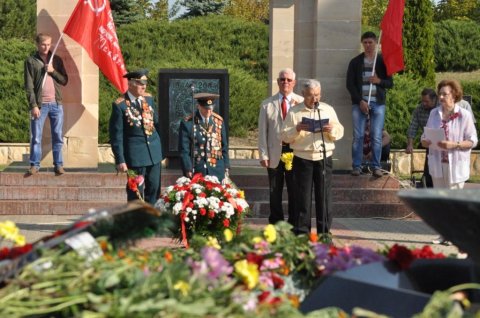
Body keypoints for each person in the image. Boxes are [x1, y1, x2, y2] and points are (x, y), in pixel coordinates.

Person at [281, 79, 344, 238]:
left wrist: (332, 129)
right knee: (303, 198)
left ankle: (324, 235)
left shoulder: (327, 110)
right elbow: (283, 136)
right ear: (303, 94)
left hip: (324, 157)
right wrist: (297, 129)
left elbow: (340, 130)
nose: (314, 99)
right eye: (310, 96)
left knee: (324, 197)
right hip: (303, 158)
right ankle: (302, 234)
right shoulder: (295, 112)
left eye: (317, 95)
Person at [421, 79, 478, 245]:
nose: (441, 97)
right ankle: (442, 234)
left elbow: (473, 140)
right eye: (440, 93)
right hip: (438, 163)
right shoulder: (434, 114)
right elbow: (426, 135)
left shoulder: (464, 115)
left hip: (456, 164)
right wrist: (424, 141)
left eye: (444, 94)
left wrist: (454, 144)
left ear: (454, 95)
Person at [109, 69, 163, 205]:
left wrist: (161, 148)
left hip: (154, 154)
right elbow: (116, 135)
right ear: (131, 84)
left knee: (154, 189)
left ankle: (152, 220)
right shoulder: (120, 105)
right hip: (135, 157)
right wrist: (120, 160)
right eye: (140, 83)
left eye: (145, 83)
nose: (144, 86)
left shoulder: (149, 99)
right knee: (135, 192)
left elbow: (157, 123)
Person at [258, 68, 304, 225]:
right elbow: (262, 132)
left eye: (289, 80)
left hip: (295, 152)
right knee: (275, 191)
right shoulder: (266, 104)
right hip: (275, 152)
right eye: (282, 79)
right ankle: (276, 223)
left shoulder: (302, 103)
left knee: (295, 190)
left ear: (294, 83)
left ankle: (293, 223)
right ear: (278, 82)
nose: (286, 82)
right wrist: (263, 155)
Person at [347, 31, 393, 178]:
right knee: (358, 135)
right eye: (365, 42)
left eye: (370, 42)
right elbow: (350, 84)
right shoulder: (355, 62)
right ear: (362, 44)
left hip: (378, 103)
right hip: (360, 103)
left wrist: (379, 81)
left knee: (376, 136)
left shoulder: (382, 62)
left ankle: (376, 166)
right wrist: (359, 100)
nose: (368, 45)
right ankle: (356, 165)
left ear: (376, 43)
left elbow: (390, 83)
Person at [24, 33, 68, 176]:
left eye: (49, 44)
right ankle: (35, 165)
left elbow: (64, 80)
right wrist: (33, 105)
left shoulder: (56, 59)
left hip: (56, 104)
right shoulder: (31, 61)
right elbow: (29, 86)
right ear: (37, 44)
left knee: (57, 135)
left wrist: (53, 71)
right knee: (36, 137)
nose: (46, 47)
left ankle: (59, 165)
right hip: (40, 105)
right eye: (43, 44)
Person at [179, 92, 230, 182]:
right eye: (205, 108)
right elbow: (184, 150)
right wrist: (188, 168)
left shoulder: (218, 121)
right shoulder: (188, 123)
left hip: (217, 169)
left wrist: (226, 166)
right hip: (198, 169)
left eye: (211, 108)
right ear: (198, 106)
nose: (208, 111)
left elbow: (224, 146)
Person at [406, 88, 437, 188]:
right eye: (422, 101)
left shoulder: (441, 108)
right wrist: (410, 144)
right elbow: (413, 127)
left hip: (442, 141)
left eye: (426, 101)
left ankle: (430, 181)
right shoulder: (419, 109)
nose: (424, 103)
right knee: (429, 158)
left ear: (434, 100)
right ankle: (427, 181)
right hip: (428, 141)